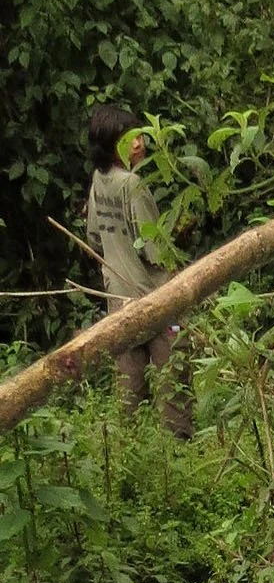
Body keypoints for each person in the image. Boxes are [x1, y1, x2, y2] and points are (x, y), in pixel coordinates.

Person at [84, 104, 191, 436]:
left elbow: (93, 235)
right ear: (111, 145)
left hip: (117, 298)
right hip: (154, 299)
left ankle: (126, 453)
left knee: (129, 384)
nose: (139, 143)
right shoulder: (133, 185)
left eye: (139, 135)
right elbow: (154, 250)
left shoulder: (99, 181)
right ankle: (181, 449)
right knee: (175, 377)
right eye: (128, 138)